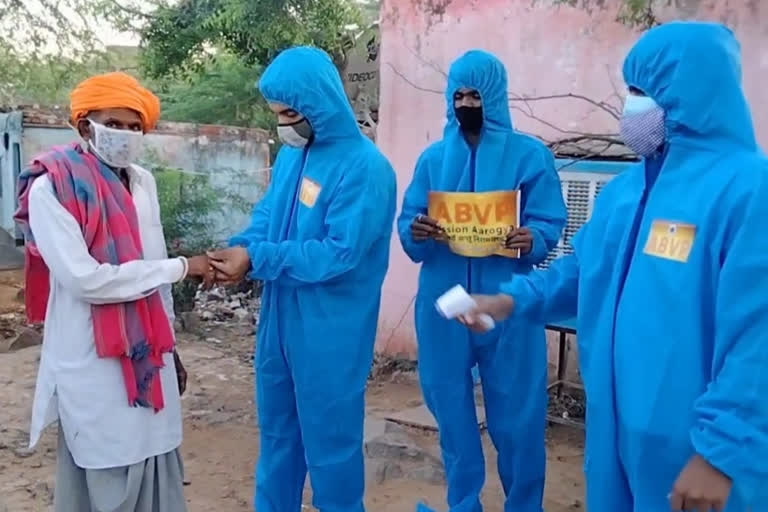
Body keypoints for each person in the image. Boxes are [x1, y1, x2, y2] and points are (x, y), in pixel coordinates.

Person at [459, 22, 768, 512]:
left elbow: (758, 336)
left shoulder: (748, 189)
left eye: (644, 91)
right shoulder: (626, 193)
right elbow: (581, 272)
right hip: (614, 434)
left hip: (698, 451)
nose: (632, 104)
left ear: (688, 94)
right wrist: (510, 299)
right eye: (631, 90)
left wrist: (723, 451)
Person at [208, 46, 397, 512]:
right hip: (280, 322)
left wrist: (256, 259)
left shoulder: (365, 167)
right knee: (278, 438)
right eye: (277, 114)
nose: (284, 125)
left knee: (331, 446)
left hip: (331, 329)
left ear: (322, 101)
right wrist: (241, 248)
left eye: (291, 113)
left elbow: (338, 253)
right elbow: (268, 215)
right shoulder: (295, 156)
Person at [14, 72, 213, 512]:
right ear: (86, 126)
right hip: (91, 355)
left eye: (134, 126)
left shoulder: (142, 182)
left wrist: (170, 349)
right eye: (114, 124)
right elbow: (85, 279)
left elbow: (151, 268)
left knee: (154, 454)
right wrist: (182, 268)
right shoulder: (54, 186)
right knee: (104, 462)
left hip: (147, 352)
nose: (125, 135)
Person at [398, 50, 567, 512]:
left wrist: (532, 238)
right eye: (458, 95)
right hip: (444, 301)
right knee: (451, 413)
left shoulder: (529, 156)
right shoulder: (433, 159)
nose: (467, 104)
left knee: (518, 417)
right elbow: (409, 221)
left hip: (506, 300)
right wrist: (417, 231)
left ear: (494, 97)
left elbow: (549, 221)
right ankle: (464, 502)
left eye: (475, 95)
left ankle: (524, 504)